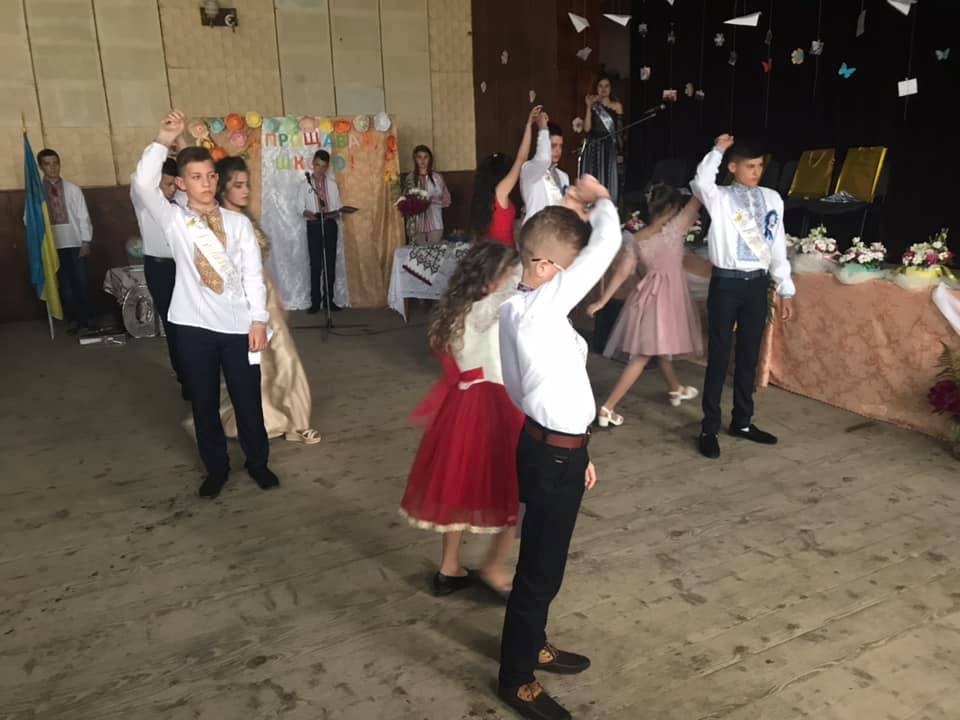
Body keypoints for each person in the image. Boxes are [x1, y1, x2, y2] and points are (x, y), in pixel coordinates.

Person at [497, 175, 620, 720]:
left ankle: (533, 644)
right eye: (569, 270)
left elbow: (527, 388)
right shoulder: (543, 308)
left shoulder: (518, 303)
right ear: (546, 266)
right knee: (540, 572)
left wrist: (578, 448)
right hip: (552, 453)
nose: (577, 281)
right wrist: (603, 201)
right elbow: (607, 245)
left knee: (544, 562)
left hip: (550, 445)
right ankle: (516, 678)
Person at [133, 110, 278, 499]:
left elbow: (252, 276)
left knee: (248, 400)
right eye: (195, 177)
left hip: (239, 328)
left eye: (211, 176)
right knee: (204, 402)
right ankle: (216, 468)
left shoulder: (238, 224)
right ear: (181, 183)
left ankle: (258, 462)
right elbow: (143, 183)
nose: (206, 183)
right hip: (193, 328)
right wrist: (163, 138)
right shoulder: (175, 221)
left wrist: (258, 320)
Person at [399, 241, 524, 597]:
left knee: (459, 485)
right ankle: (495, 569)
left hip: (461, 405)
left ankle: (449, 567)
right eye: (509, 274)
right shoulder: (494, 307)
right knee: (517, 487)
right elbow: (522, 287)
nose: (515, 278)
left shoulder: (455, 310)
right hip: (496, 405)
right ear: (490, 281)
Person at [691, 134, 795, 460]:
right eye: (750, 166)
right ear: (734, 168)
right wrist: (717, 150)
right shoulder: (720, 198)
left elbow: (777, 245)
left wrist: (785, 287)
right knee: (719, 356)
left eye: (760, 166)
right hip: (726, 283)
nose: (756, 172)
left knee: (749, 354)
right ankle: (709, 427)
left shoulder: (772, 198)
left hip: (757, 285)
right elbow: (701, 181)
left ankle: (743, 421)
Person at [214, 156, 321, 445]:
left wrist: (276, 293)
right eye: (238, 185)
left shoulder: (244, 217)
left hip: (265, 293)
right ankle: (280, 421)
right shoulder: (222, 223)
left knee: (280, 356)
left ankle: (290, 418)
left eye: (247, 184)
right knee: (268, 360)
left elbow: (257, 265)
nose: (246, 190)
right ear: (223, 188)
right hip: (246, 300)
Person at [586, 183, 703, 426]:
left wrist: (603, 300)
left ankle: (675, 388)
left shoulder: (637, 238)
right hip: (666, 300)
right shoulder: (676, 228)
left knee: (659, 345)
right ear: (672, 208)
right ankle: (608, 407)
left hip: (647, 297)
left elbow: (621, 273)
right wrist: (715, 162)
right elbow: (699, 197)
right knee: (642, 355)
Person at [131, 156, 188, 397]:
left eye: (175, 184)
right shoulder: (144, 200)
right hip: (159, 268)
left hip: (185, 267)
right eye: (167, 184)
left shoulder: (182, 200)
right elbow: (139, 178)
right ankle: (184, 377)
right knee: (172, 323)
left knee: (191, 323)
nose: (172, 189)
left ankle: (199, 371)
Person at [35, 148, 94, 334]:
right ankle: (73, 320)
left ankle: (86, 320)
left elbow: (83, 216)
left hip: (74, 242)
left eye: (55, 163)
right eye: (47, 164)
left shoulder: (72, 189)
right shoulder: (36, 193)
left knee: (81, 282)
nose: (53, 167)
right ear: (41, 167)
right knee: (65, 284)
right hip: (52, 245)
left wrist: (86, 241)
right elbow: (29, 219)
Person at [469, 105, 542, 247]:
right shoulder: (500, 192)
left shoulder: (485, 197)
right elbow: (521, 158)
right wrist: (529, 125)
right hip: (504, 254)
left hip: (495, 252)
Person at [299, 149, 342, 313]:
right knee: (316, 265)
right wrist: (307, 213)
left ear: (327, 167)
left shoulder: (332, 184)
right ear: (313, 164)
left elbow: (337, 205)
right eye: (318, 165)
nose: (320, 169)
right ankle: (315, 302)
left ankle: (329, 301)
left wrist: (337, 212)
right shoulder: (305, 184)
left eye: (324, 166)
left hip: (330, 225)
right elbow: (299, 207)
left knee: (330, 264)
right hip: (314, 226)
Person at [581, 74, 624, 206]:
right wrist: (588, 107)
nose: (603, 89)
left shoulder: (617, 106)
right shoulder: (594, 105)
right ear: (596, 88)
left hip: (608, 147)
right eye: (600, 86)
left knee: (607, 177)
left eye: (607, 86)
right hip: (593, 146)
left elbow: (619, 132)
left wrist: (620, 151)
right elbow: (587, 128)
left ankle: (607, 207)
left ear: (611, 88)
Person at [519, 116, 569, 225]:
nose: (558, 150)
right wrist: (543, 128)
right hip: (535, 231)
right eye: (553, 146)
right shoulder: (529, 169)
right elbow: (544, 159)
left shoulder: (564, 176)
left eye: (560, 146)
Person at [403, 145, 451, 244]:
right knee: (419, 252)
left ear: (430, 159)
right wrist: (414, 203)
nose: (422, 160)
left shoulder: (437, 177)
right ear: (415, 159)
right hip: (416, 225)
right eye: (419, 157)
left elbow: (447, 200)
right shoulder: (410, 178)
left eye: (425, 157)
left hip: (435, 224)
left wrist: (431, 200)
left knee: (434, 250)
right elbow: (405, 201)